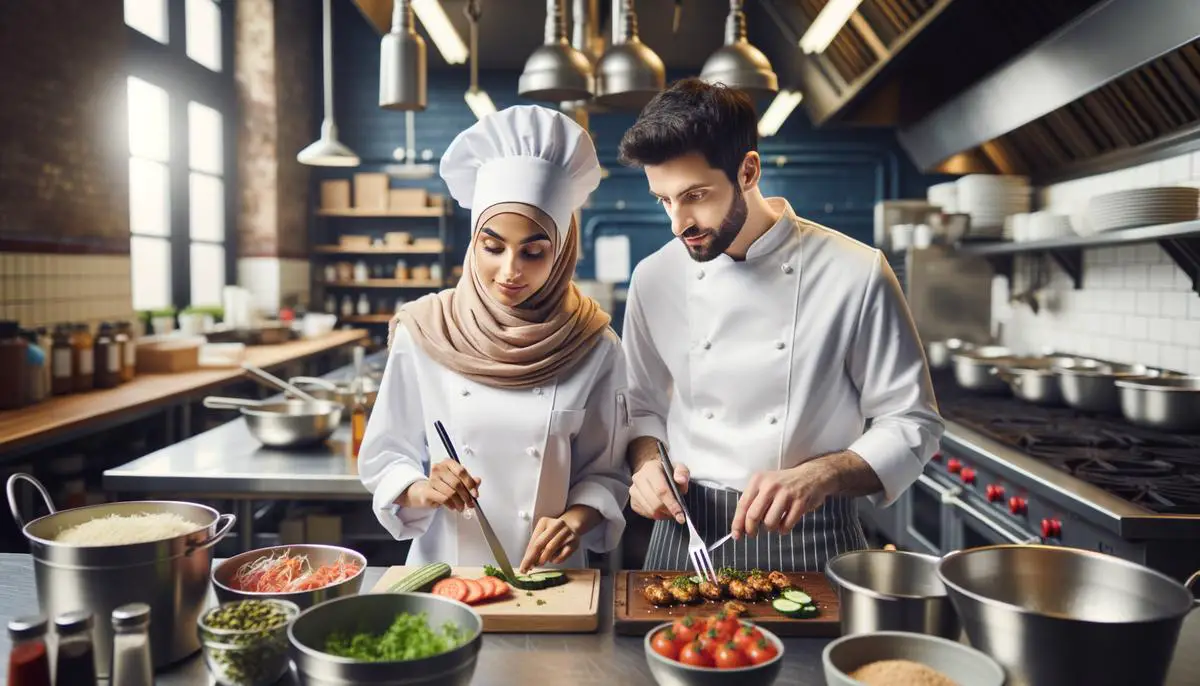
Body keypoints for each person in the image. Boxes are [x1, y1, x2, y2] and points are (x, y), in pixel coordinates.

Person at [617, 78, 944, 572]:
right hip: (686, 536)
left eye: (695, 195)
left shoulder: (854, 272)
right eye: (663, 199)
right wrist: (645, 466)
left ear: (748, 170)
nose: (677, 222)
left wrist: (822, 475)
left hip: (813, 536)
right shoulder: (654, 277)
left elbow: (912, 420)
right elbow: (640, 407)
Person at [358, 105, 631, 573]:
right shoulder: (424, 331)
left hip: (552, 578)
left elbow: (604, 474)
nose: (510, 271)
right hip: (446, 571)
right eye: (493, 246)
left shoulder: (595, 345)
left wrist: (574, 520)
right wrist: (424, 487)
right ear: (472, 241)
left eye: (533, 251)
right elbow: (388, 455)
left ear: (562, 250)